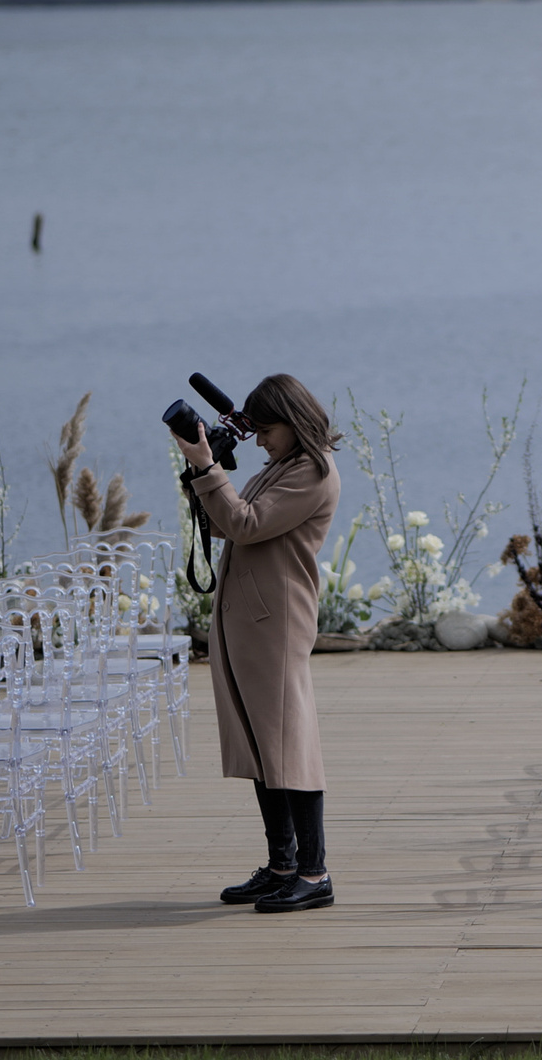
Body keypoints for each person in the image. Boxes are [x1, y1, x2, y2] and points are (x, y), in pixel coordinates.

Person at [173, 373, 343, 913]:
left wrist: (207, 468)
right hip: (248, 618)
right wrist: (204, 472)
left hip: (277, 622)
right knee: (260, 743)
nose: (261, 440)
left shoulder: (312, 473)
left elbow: (245, 525)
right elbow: (227, 525)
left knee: (290, 743)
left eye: (267, 430)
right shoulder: (281, 467)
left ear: (294, 424)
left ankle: (314, 875)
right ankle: (282, 865)